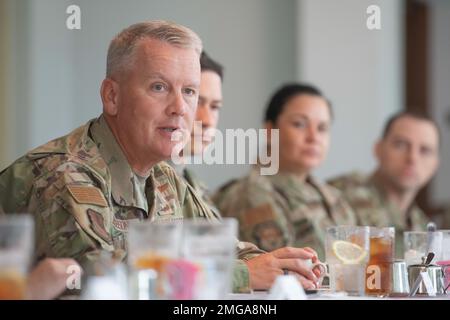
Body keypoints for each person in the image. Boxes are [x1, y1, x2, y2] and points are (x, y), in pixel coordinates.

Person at [0, 21, 321, 295]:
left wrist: (283, 266)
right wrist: (243, 275)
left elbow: (225, 248)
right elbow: (99, 278)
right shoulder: (64, 173)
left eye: (190, 91)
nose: (180, 108)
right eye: (158, 87)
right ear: (112, 96)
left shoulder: (164, 177)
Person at [214, 84, 356, 260]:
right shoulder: (252, 194)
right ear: (269, 130)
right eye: (299, 124)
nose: (313, 137)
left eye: (322, 128)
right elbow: (280, 271)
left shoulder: (333, 197)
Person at [328, 111, 440, 256]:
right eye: (401, 145)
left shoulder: (424, 228)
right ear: (378, 149)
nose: (412, 158)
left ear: (436, 163)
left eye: (425, 150)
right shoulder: (337, 195)